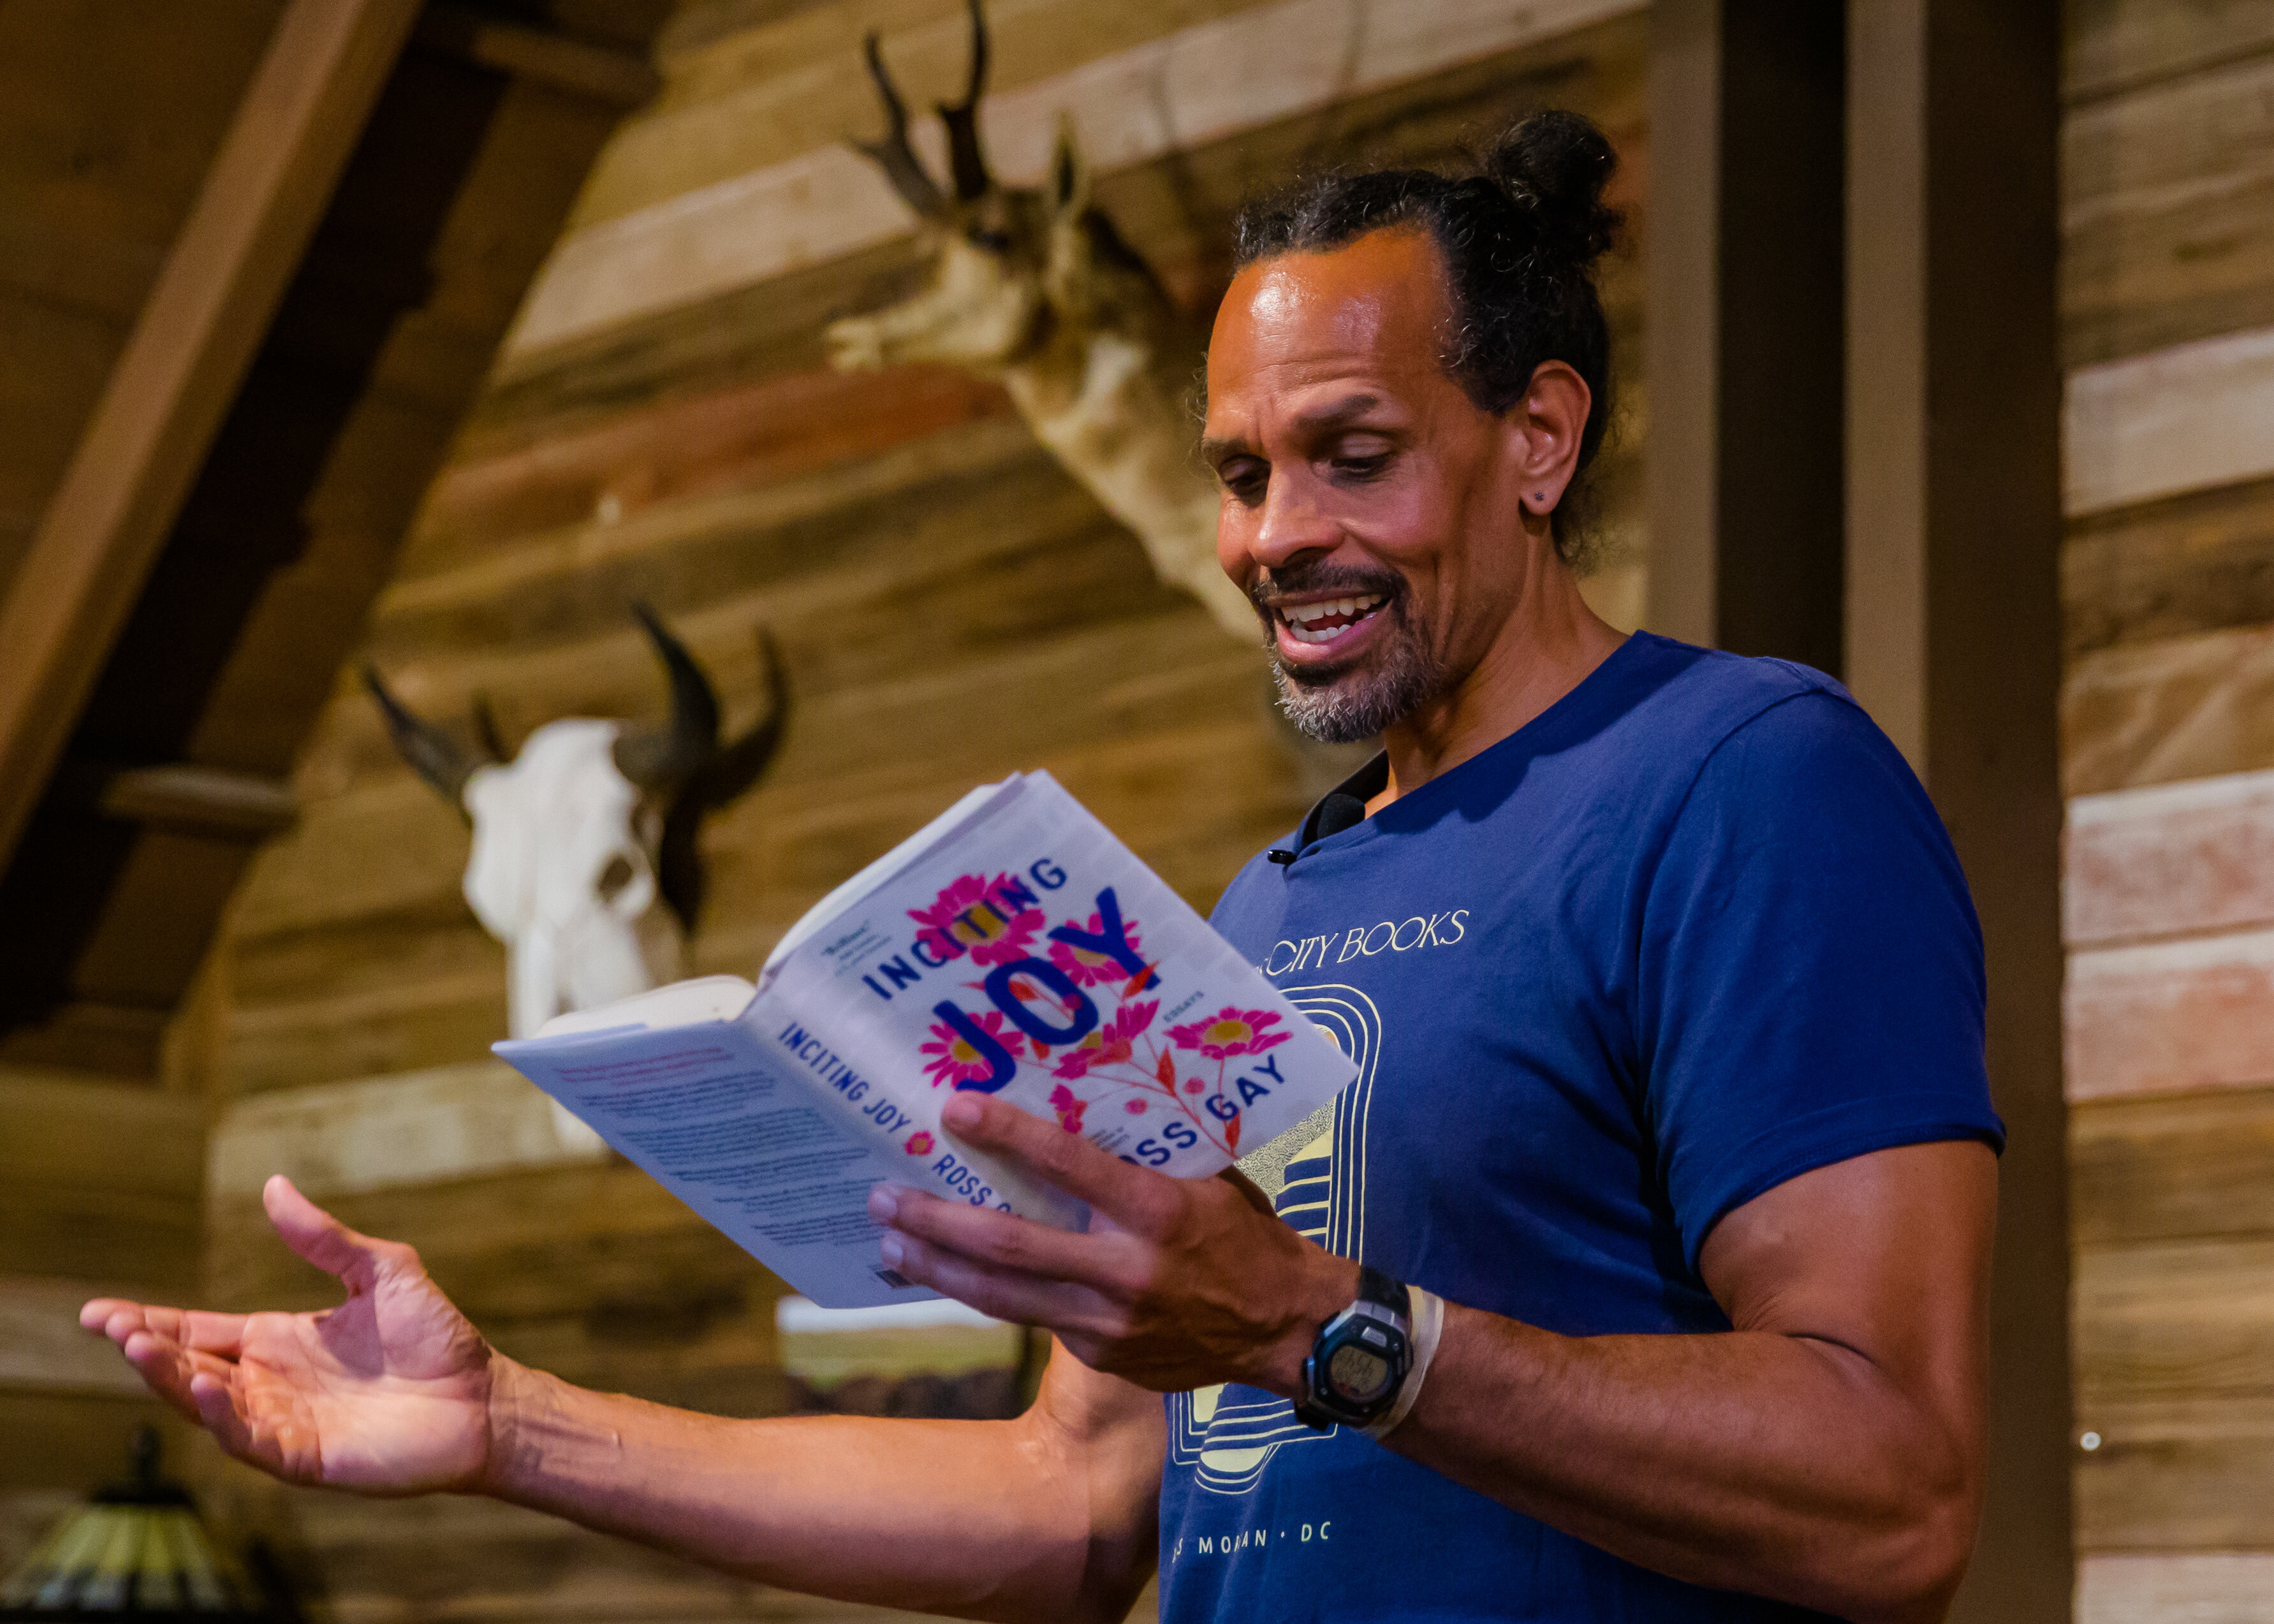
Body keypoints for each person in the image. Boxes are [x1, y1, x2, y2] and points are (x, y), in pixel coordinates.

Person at [84, 111, 2004, 1624]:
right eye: (1243, 472)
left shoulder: (1746, 783)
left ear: (1540, 439)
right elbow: (1076, 1503)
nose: (1275, 534)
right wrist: (509, 1425)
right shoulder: (1271, 906)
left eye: (1353, 454)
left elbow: (1892, 1492)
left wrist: (1306, 1322)